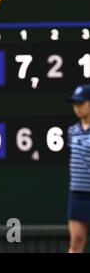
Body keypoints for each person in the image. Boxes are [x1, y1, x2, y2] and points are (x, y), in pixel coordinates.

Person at [67, 84, 90, 253]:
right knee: (75, 242)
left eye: (81, 103)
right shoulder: (72, 131)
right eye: (75, 103)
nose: (78, 107)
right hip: (78, 194)